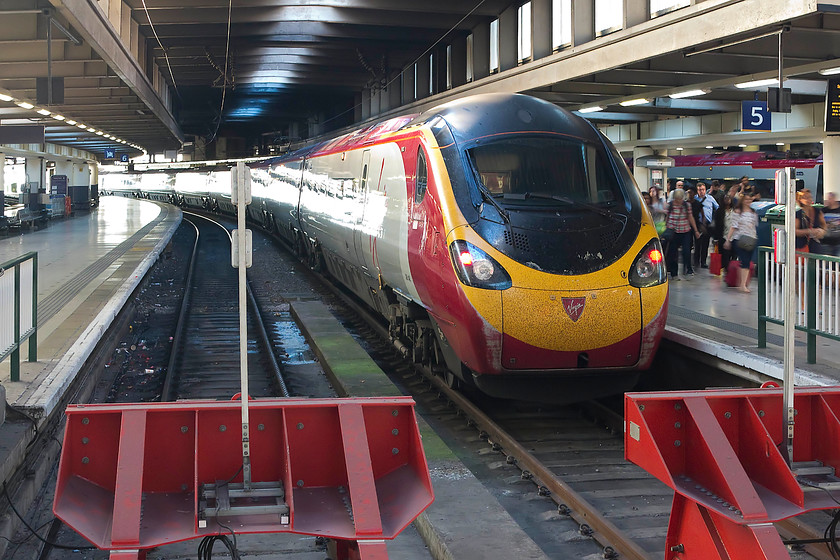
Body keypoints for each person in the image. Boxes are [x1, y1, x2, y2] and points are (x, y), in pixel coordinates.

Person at [724, 192, 759, 293]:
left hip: (751, 239)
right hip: (739, 239)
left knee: (747, 262)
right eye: (746, 200)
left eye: (750, 199)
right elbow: (733, 226)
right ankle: (743, 284)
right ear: (742, 201)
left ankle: (742, 283)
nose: (748, 201)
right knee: (744, 261)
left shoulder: (753, 212)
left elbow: (755, 226)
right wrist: (728, 240)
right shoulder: (738, 212)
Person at [664, 188, 701, 281]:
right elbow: (667, 217)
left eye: (680, 199)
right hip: (673, 232)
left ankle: (688, 270)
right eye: (677, 199)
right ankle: (674, 273)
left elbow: (690, 217)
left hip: (685, 231)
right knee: (673, 254)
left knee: (686, 252)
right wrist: (665, 227)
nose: (679, 201)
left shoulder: (686, 205)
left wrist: (696, 231)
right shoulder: (670, 205)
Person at [691, 182, 719, 269]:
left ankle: (703, 261)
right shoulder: (694, 199)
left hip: (707, 224)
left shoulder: (710, 198)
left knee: (705, 244)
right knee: (697, 244)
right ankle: (696, 261)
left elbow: (717, 208)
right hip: (698, 224)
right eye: (699, 190)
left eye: (703, 190)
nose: (701, 191)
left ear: (705, 190)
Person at [794, 189, 826, 253]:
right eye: (805, 198)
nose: (808, 199)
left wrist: (822, 232)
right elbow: (795, 231)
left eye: (810, 197)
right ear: (800, 200)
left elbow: (824, 226)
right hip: (801, 246)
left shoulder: (817, 211)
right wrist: (809, 231)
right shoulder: (798, 214)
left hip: (816, 246)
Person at [713, 194, 735, 272]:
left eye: (729, 198)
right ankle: (727, 270)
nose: (727, 200)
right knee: (725, 255)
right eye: (725, 198)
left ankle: (731, 270)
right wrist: (716, 238)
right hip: (724, 236)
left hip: (734, 236)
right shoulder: (719, 211)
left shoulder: (735, 210)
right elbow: (717, 225)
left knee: (734, 255)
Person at [820, 191, 840, 257]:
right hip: (826, 242)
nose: (829, 201)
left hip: (838, 242)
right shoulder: (823, 210)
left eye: (830, 199)